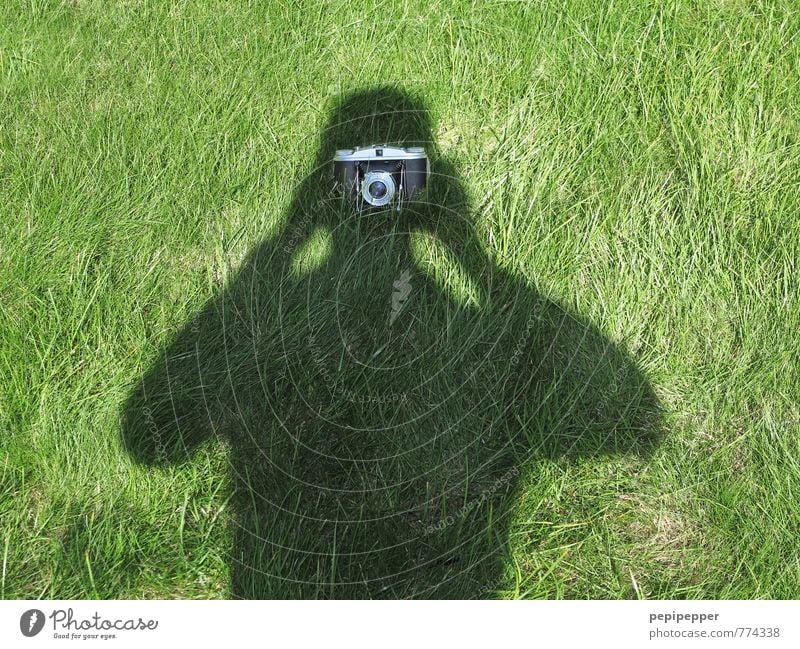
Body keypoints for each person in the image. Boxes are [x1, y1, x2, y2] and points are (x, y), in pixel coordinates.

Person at [122, 86, 661, 598]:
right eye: (370, 178)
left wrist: (285, 243)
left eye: (391, 176)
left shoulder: (298, 315)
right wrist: (474, 260)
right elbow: (636, 419)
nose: (379, 188)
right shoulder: (458, 327)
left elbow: (148, 437)